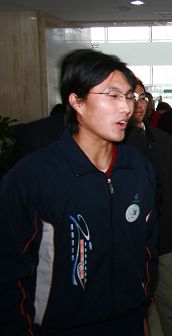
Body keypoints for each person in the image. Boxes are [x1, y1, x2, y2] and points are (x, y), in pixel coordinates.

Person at [0, 49, 157, 334]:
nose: (126, 107)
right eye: (113, 95)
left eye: (129, 96)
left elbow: (147, 249)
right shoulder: (33, 176)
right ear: (77, 102)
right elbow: (10, 272)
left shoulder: (137, 169)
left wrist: (141, 308)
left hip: (128, 320)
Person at [125, 80, 172, 336]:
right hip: (126, 243)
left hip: (162, 240)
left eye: (143, 97)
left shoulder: (162, 140)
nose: (139, 104)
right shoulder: (113, 141)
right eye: (132, 97)